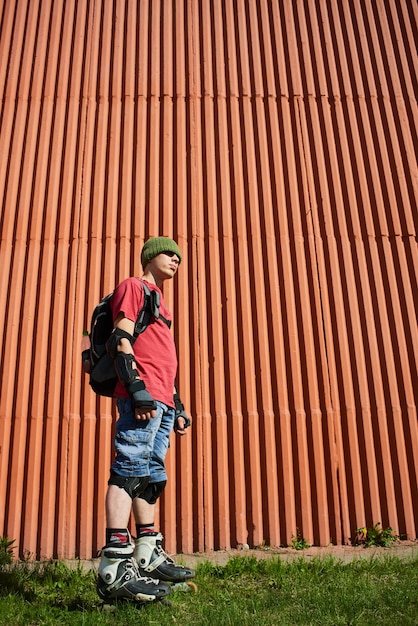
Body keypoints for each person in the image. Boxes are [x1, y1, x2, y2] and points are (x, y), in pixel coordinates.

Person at [97, 236, 194, 603]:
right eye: (170, 254)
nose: (176, 260)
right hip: (143, 395)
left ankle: (147, 551)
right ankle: (115, 564)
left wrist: (177, 403)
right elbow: (122, 338)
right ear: (151, 256)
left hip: (161, 399)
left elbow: (161, 359)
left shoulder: (162, 304)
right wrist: (136, 387)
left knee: (151, 476)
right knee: (130, 468)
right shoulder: (134, 287)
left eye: (179, 258)